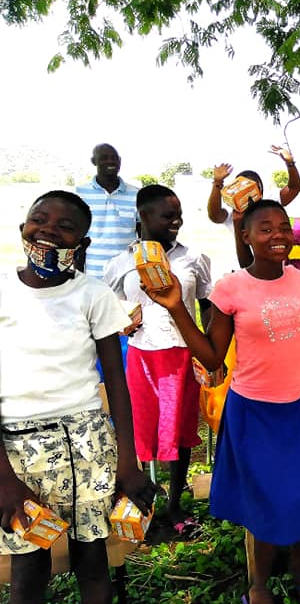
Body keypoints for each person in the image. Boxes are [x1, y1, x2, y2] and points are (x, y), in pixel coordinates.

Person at [147, 199, 300, 604]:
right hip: (255, 411)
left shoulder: (298, 281)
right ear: (246, 236)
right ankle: (259, 584)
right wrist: (176, 307)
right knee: (266, 497)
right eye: (266, 228)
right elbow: (212, 355)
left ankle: (299, 569)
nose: (277, 235)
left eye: (283, 227)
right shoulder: (231, 289)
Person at [1, 191, 156, 604]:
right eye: (39, 219)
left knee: (93, 561)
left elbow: (117, 383)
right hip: (21, 453)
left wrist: (128, 464)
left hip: (89, 444)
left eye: (65, 226)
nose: (48, 230)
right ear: (23, 227)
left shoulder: (93, 294)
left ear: (82, 243)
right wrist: (4, 481)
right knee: (29, 571)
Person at [102, 185, 212, 532]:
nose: (176, 221)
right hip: (142, 357)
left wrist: (211, 349)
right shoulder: (121, 264)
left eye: (179, 215)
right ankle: (142, 502)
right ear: (144, 216)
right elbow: (110, 309)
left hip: (182, 355)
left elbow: (207, 304)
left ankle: (175, 504)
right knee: (143, 430)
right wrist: (123, 321)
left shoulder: (193, 258)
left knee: (179, 431)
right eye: (168, 215)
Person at [75, 143, 140, 280]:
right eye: (104, 158)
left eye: (114, 158)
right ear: (94, 161)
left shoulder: (136, 194)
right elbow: (76, 238)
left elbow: (143, 236)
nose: (110, 161)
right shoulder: (80, 194)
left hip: (128, 273)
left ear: (120, 161)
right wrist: (77, 276)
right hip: (94, 274)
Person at [206, 145, 300, 226]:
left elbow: (293, 189)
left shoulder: (269, 204)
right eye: (243, 189)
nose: (248, 195)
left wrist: (290, 163)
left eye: (252, 189)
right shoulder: (234, 214)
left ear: (261, 191)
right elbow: (215, 216)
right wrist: (217, 182)